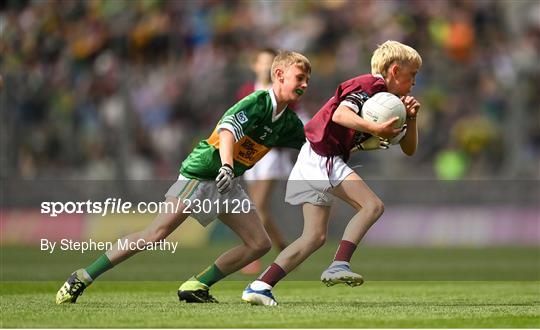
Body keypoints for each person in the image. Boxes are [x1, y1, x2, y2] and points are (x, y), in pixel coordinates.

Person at [55, 50, 311, 304]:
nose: (304, 85)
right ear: (279, 74)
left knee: (259, 244)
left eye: (307, 80)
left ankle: (196, 285)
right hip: (202, 173)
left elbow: (315, 142)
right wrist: (226, 166)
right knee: (155, 234)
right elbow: (227, 131)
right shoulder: (257, 102)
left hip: (227, 182)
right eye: (299, 78)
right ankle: (83, 276)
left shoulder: (288, 122)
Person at [242, 40, 422, 306]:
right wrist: (374, 130)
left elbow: (409, 149)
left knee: (313, 237)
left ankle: (260, 285)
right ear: (395, 71)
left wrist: (412, 119)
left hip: (314, 156)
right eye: (413, 75)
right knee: (372, 206)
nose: (415, 82)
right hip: (321, 156)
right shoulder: (369, 86)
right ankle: (339, 263)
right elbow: (340, 114)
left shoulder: (389, 103)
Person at [236, 48, 301, 274]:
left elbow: (289, 120)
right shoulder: (247, 91)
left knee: (256, 206)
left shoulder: (283, 90)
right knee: (257, 207)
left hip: (271, 153)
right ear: (254, 65)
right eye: (262, 63)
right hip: (249, 152)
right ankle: (284, 248)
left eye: (270, 63)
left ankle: (251, 252)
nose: (266, 67)